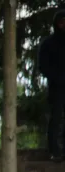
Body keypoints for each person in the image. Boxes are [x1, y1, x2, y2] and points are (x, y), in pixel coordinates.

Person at [38, 10, 65, 162]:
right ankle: (54, 151)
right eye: (62, 21)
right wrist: (57, 78)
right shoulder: (48, 43)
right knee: (56, 118)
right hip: (56, 87)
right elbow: (43, 66)